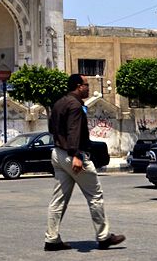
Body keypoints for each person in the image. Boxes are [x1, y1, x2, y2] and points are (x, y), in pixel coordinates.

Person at [44, 74, 125, 251]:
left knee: (58, 199)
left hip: (58, 154)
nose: (88, 88)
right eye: (86, 85)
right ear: (78, 86)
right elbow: (75, 132)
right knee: (95, 195)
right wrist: (77, 156)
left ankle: (51, 239)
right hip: (73, 155)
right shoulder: (75, 105)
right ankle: (104, 237)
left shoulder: (58, 103)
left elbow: (52, 128)